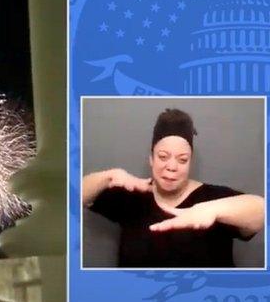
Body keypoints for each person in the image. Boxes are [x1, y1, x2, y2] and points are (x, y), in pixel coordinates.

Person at [82, 108, 264, 268]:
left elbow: (261, 211)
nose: (172, 166)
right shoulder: (132, 197)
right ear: (151, 159)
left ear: (190, 163)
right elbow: (77, 195)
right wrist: (109, 176)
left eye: (182, 159)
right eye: (163, 156)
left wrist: (211, 210)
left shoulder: (215, 198)